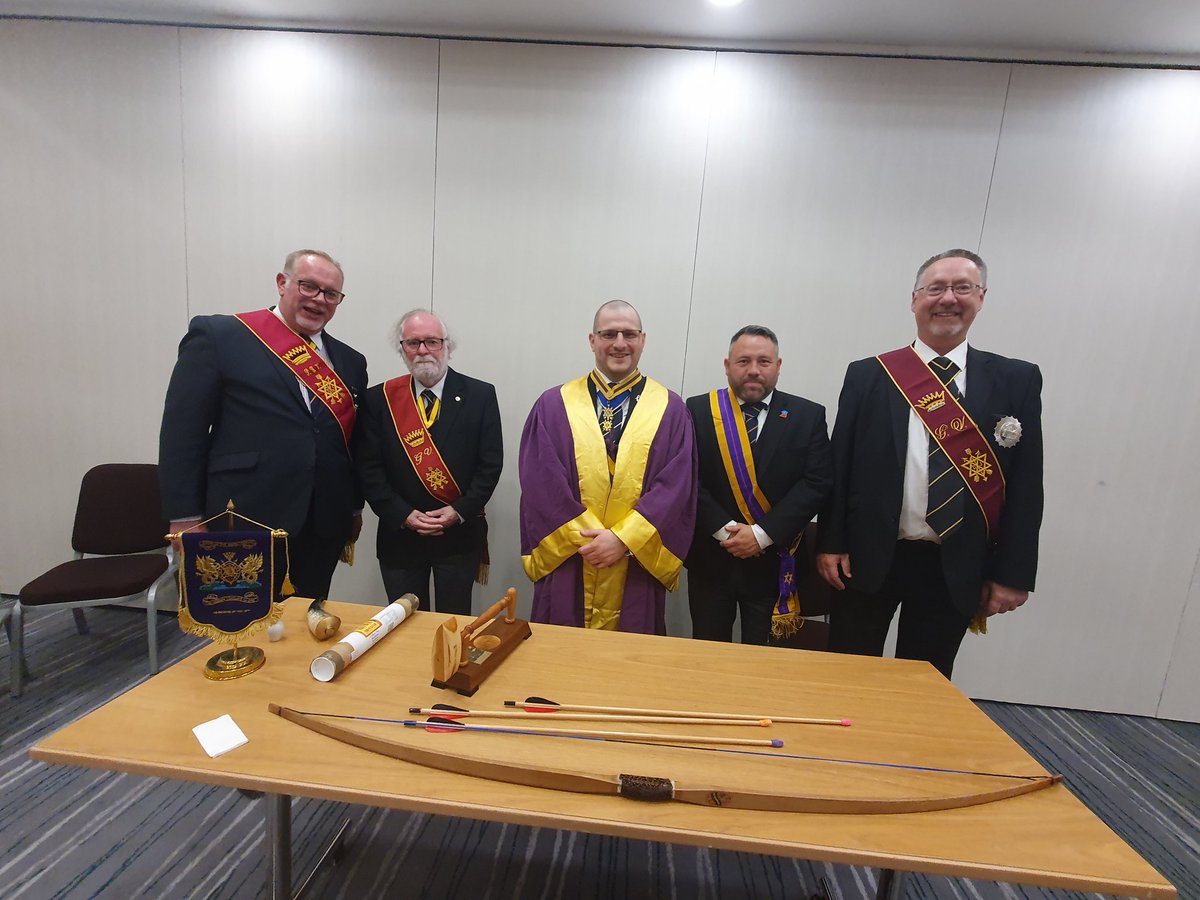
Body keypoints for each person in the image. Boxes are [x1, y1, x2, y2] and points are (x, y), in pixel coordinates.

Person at [816, 249, 1043, 679]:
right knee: (846, 674)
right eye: (936, 288)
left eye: (963, 287)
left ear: (981, 297)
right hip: (867, 557)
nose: (948, 298)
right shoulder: (869, 375)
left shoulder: (1016, 379)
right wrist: (830, 542)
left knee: (925, 683)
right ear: (915, 298)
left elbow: (1027, 483)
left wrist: (1013, 573)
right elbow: (840, 466)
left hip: (954, 563)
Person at [159, 249, 368, 599]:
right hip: (244, 516)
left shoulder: (350, 361)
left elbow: (353, 441)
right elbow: (183, 433)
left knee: (308, 624)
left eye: (331, 294)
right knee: (236, 627)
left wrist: (353, 507)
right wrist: (184, 515)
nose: (319, 300)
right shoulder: (220, 336)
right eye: (309, 287)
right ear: (282, 283)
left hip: (324, 520)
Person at [518, 300, 697, 634]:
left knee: (627, 668)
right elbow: (541, 483)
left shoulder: (671, 410)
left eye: (629, 334)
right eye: (609, 334)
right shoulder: (553, 405)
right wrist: (589, 540)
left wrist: (623, 540)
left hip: (634, 562)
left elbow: (676, 486)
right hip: (572, 557)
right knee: (558, 660)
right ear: (592, 340)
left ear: (643, 340)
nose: (619, 343)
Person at [686, 326, 832, 646]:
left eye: (764, 361)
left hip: (773, 564)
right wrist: (726, 532)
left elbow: (817, 484)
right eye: (743, 361)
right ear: (727, 365)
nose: (753, 370)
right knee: (707, 657)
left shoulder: (807, 416)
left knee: (764, 665)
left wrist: (760, 535)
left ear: (778, 366)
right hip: (711, 561)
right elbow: (686, 479)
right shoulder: (697, 410)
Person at [356, 310, 503, 614]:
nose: (423, 350)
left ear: (448, 346)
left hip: (459, 536)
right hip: (400, 537)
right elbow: (368, 469)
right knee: (403, 626)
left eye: (432, 342)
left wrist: (458, 512)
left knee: (453, 623)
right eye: (413, 342)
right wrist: (403, 514)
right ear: (402, 348)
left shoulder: (480, 395)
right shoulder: (379, 400)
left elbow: (489, 466)